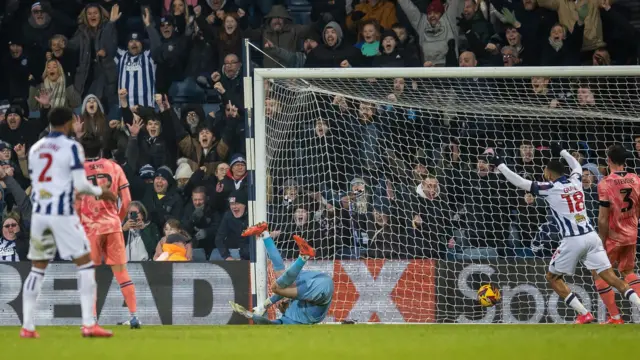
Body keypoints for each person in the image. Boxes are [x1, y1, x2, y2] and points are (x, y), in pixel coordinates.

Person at [488, 142, 640, 324]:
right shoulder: (576, 180)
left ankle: (584, 313)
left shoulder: (550, 188)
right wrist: (562, 151)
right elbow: (576, 166)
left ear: (549, 173)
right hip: (592, 236)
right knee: (612, 277)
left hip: (572, 240)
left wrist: (500, 164)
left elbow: (519, 182)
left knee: (552, 277)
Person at [22, 107, 117, 338]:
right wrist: (102, 192)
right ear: (67, 123)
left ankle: (27, 326)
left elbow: (40, 182)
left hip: (40, 214)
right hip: (62, 213)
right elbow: (81, 185)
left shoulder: (35, 148)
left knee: (37, 269)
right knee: (85, 264)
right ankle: (89, 323)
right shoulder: (72, 146)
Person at [77, 134, 139, 329]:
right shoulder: (114, 167)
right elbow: (127, 202)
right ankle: (134, 315)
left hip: (90, 228)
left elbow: (75, 204)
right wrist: (117, 220)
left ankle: (92, 320)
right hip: (112, 225)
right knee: (121, 272)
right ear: (101, 149)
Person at [230, 222, 333, 325]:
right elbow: (268, 323)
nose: (280, 305)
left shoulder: (289, 306)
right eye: (281, 306)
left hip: (316, 281)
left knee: (280, 278)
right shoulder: (290, 321)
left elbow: (279, 296)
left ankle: (265, 233)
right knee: (276, 287)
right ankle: (303, 256)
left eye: (279, 305)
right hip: (320, 290)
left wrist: (258, 309)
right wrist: (251, 314)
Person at [594, 144, 640, 324]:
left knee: (599, 272)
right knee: (628, 271)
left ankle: (615, 317)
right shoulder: (636, 179)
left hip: (614, 235)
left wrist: (601, 240)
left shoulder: (605, 183)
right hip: (632, 233)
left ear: (609, 160)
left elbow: (603, 218)